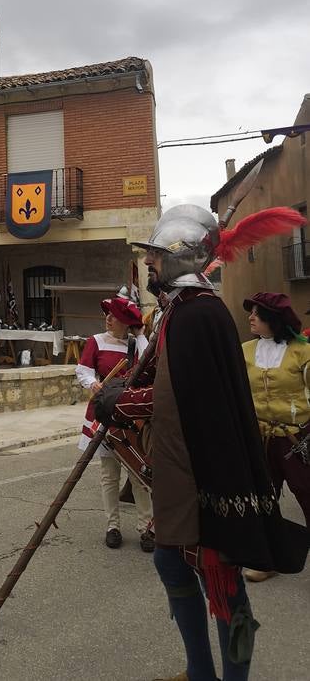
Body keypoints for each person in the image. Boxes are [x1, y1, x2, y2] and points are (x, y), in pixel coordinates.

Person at [98, 205, 308, 681]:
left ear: (179, 256)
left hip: (210, 473)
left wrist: (123, 402)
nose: (148, 265)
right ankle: (199, 671)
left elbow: (182, 392)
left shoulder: (199, 313)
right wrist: (121, 391)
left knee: (224, 585)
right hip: (183, 469)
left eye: (155, 256)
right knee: (172, 566)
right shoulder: (179, 309)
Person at [241, 292, 310, 583]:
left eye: (256, 314)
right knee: (263, 499)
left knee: (308, 495)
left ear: (273, 319)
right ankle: (267, 559)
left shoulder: (302, 351)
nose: (251, 318)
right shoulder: (244, 350)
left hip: (295, 439)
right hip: (259, 437)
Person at [76, 296, 154, 551]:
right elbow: (83, 371)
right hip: (104, 415)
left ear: (126, 323)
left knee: (138, 473)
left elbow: (149, 362)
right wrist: (93, 384)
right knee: (109, 475)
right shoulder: (96, 342)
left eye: (113, 315)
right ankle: (113, 526)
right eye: (107, 314)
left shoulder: (135, 346)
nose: (107, 318)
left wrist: (140, 333)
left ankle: (147, 528)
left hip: (129, 417)